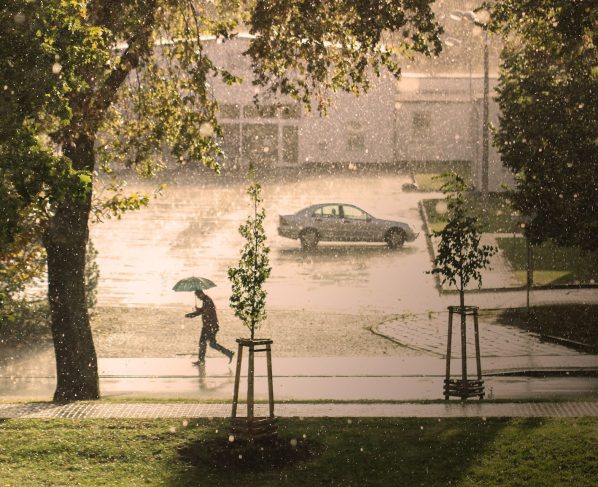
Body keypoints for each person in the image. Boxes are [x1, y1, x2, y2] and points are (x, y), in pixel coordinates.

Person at [185, 289, 234, 366]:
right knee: (207, 343)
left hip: (211, 326)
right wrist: (194, 313)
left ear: (201, 294)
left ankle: (202, 360)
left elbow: (205, 312)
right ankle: (202, 360)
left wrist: (195, 313)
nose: (198, 298)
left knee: (208, 343)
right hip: (209, 326)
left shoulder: (207, 301)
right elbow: (203, 311)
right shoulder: (206, 300)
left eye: (198, 296)